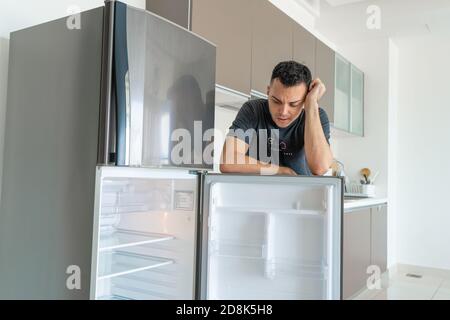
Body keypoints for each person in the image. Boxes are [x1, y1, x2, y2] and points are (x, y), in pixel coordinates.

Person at [220, 60, 333, 176]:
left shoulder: (316, 115)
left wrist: (311, 104)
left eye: (293, 104)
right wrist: (281, 171)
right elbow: (228, 161)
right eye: (276, 101)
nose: (283, 112)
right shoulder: (253, 110)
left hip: (300, 193)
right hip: (256, 191)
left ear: (305, 99)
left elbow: (320, 168)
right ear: (268, 91)